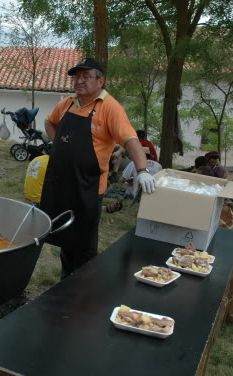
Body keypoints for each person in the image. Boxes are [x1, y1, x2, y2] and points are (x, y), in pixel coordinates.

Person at [41, 58, 156, 278]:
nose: (79, 81)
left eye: (86, 76)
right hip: (62, 183)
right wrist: (58, 145)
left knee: (84, 244)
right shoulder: (67, 104)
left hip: (88, 186)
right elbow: (49, 122)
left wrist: (142, 170)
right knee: (66, 236)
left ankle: (84, 291)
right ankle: (66, 285)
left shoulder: (109, 107)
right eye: (76, 77)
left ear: (100, 81)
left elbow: (131, 139)